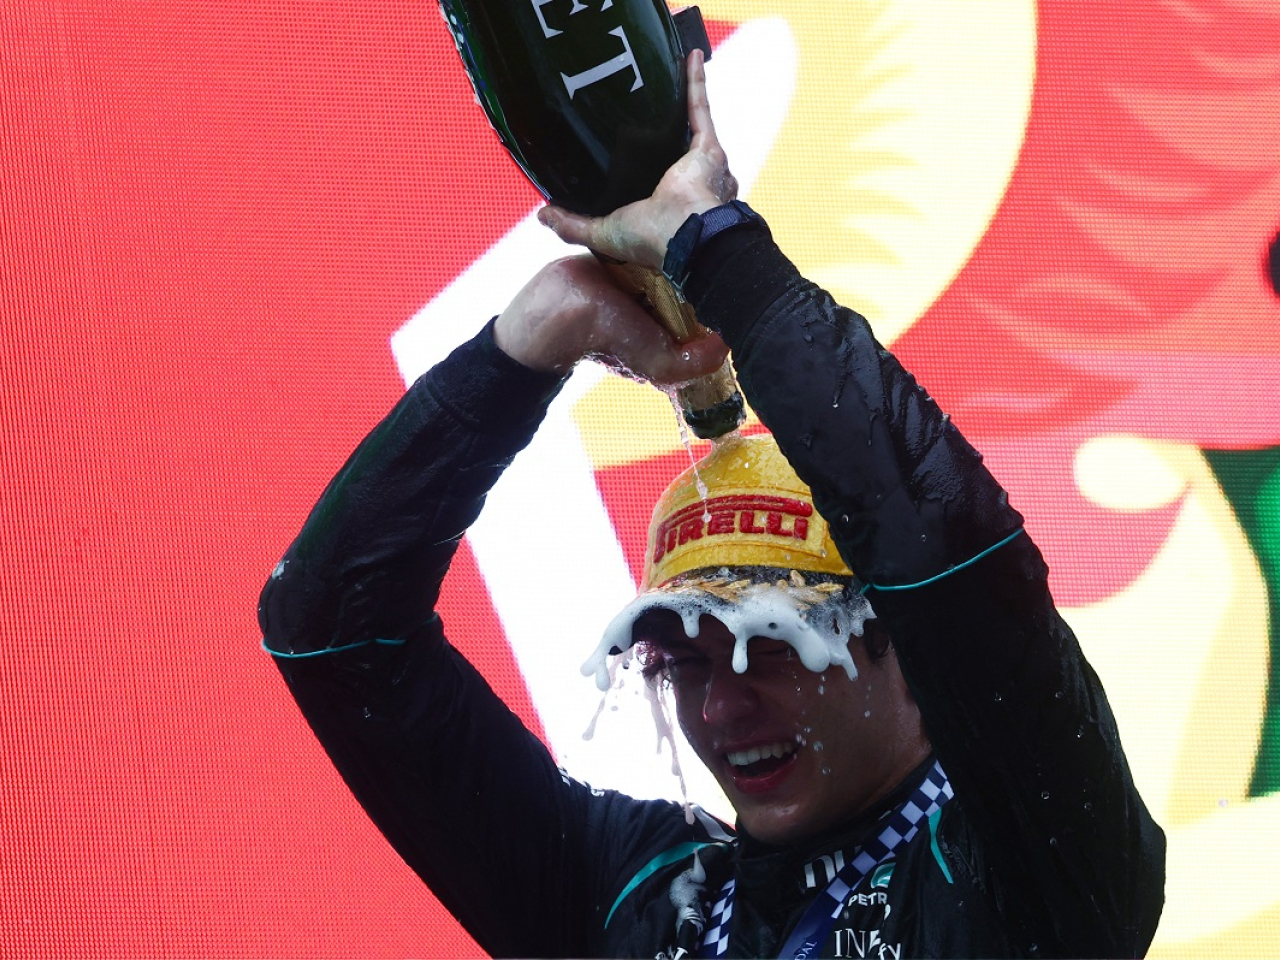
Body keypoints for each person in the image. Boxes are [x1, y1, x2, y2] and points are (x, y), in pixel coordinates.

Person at [259, 51, 1164, 958]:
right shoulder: (632, 895)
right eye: (683, 664)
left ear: (907, 643)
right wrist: (535, 339)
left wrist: (717, 250)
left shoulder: (1041, 874)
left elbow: (947, 546)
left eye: (769, 647)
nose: (723, 711)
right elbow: (329, 630)